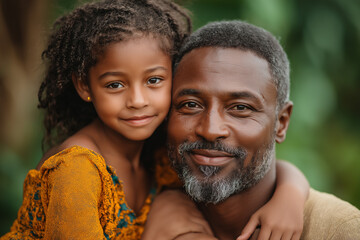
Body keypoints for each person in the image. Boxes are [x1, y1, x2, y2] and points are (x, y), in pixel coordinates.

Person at [1, 1, 309, 239]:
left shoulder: (159, 151)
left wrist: (290, 197)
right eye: (115, 85)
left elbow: (256, 162)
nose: (137, 101)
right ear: (85, 86)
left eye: (154, 81)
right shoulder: (76, 171)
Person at [145, 20, 360, 240]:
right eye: (190, 104)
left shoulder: (339, 230)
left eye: (240, 108)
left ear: (281, 122)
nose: (210, 130)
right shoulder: (141, 213)